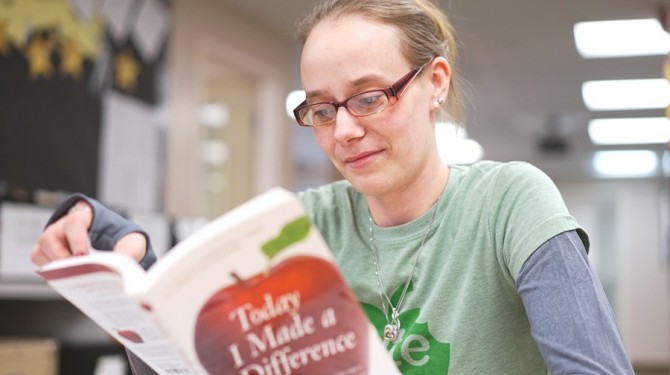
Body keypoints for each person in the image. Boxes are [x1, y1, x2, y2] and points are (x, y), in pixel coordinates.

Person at [32, 0, 635, 373]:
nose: (344, 131)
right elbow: (189, 350)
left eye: (370, 98)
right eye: (321, 109)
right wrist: (123, 250)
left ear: (435, 83)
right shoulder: (303, 224)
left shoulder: (511, 202)